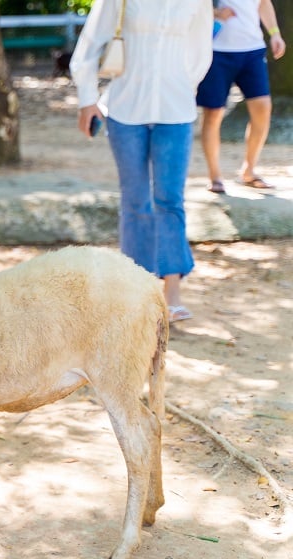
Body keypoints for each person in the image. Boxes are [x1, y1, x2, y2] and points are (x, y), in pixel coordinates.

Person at [70, 0, 214, 323]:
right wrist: (87, 100)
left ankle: (171, 294)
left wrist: (182, 86)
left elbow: (201, 50)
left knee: (170, 199)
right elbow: (91, 41)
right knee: (135, 200)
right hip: (125, 108)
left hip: (176, 110)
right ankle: (134, 293)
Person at [197, 0, 286, 194]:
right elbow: (190, 7)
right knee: (213, 114)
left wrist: (275, 34)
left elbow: (263, 3)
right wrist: (215, 12)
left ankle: (249, 170)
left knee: (263, 108)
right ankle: (215, 176)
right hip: (216, 51)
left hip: (252, 50)